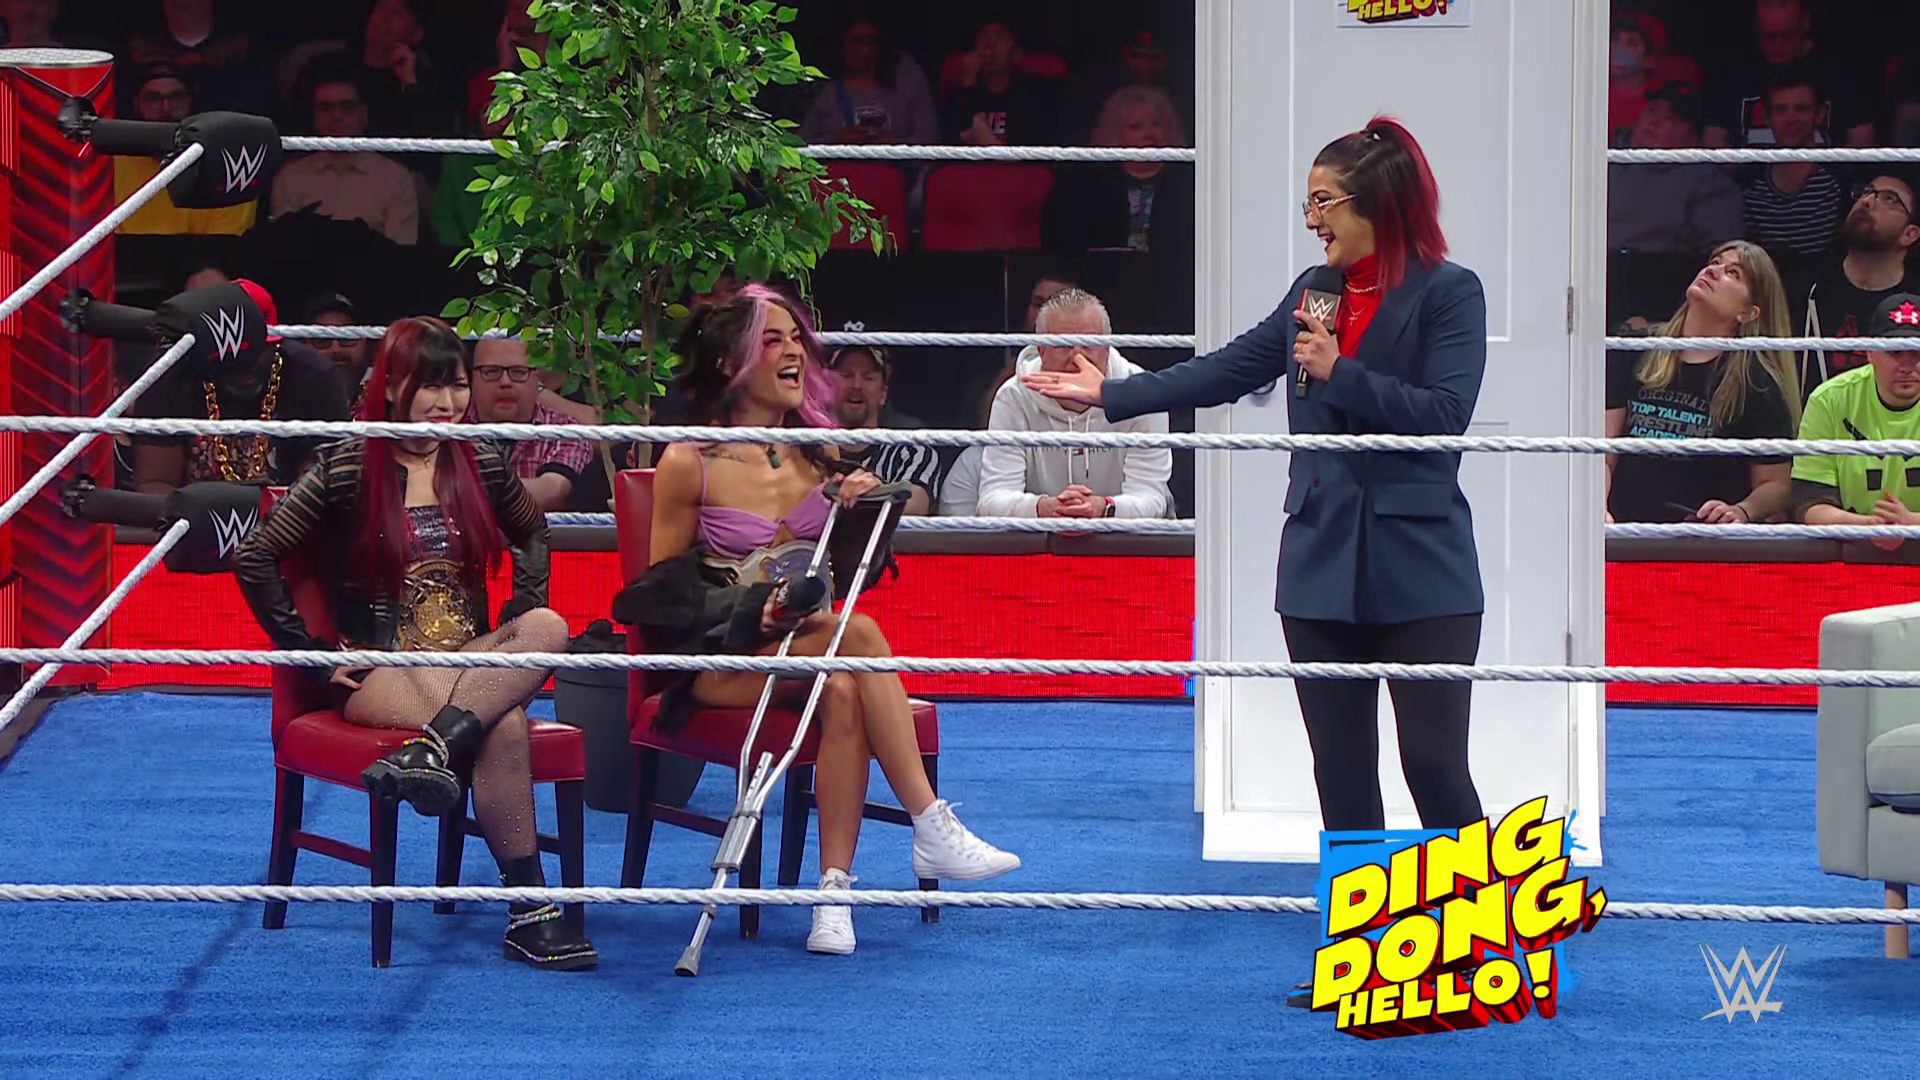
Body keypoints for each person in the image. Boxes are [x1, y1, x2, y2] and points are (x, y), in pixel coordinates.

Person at [1018, 116, 1484, 1008]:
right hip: (1319, 561)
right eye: (1309, 201)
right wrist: (1114, 392)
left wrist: (1340, 372)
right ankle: (1364, 963)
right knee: (1340, 770)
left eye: (1323, 200)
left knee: (1432, 764)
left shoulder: (1450, 292)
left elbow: (1443, 416)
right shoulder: (1315, 291)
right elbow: (1230, 368)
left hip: (1423, 563)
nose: (1310, 219)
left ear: (1377, 201)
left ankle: (1475, 956)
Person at [643, 284, 1021, 957]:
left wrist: (865, 513)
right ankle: (928, 820)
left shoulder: (818, 453)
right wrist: (749, 609)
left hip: (807, 648)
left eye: (797, 338)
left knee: (844, 687)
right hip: (721, 661)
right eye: (772, 340)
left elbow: (850, 575)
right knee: (861, 634)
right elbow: (658, 595)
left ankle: (833, 897)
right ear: (730, 362)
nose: (794, 351)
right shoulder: (689, 460)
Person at [233, 316, 597, 972]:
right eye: (431, 386)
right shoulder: (347, 463)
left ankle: (432, 750)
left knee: (548, 625)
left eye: (456, 386)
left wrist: (519, 604)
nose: (447, 402)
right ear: (393, 386)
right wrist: (312, 654)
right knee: (504, 722)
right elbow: (256, 556)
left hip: (469, 657)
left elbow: (531, 531)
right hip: (382, 667)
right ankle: (530, 912)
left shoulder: (477, 457)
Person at [1604, 240, 1800, 524]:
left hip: (1701, 534)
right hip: (1624, 527)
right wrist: (1596, 505)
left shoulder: (1756, 382)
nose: (1713, 270)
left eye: (1733, 273)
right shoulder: (1637, 349)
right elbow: (1605, 447)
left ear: (1748, 313)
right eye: (1715, 262)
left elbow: (1775, 484)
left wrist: (1741, 510)